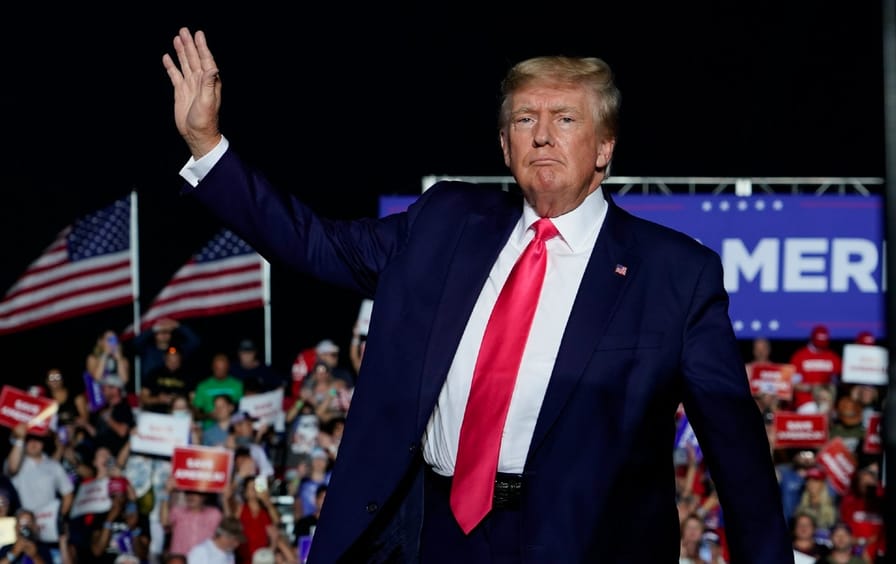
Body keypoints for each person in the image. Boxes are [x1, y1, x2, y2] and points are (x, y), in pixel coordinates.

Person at [163, 28, 791, 562]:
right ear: (504, 144)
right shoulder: (445, 222)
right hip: (433, 535)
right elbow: (315, 245)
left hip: (586, 543)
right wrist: (206, 146)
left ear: (604, 148)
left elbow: (737, 455)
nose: (542, 135)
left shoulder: (677, 273)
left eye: (565, 119)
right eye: (525, 119)